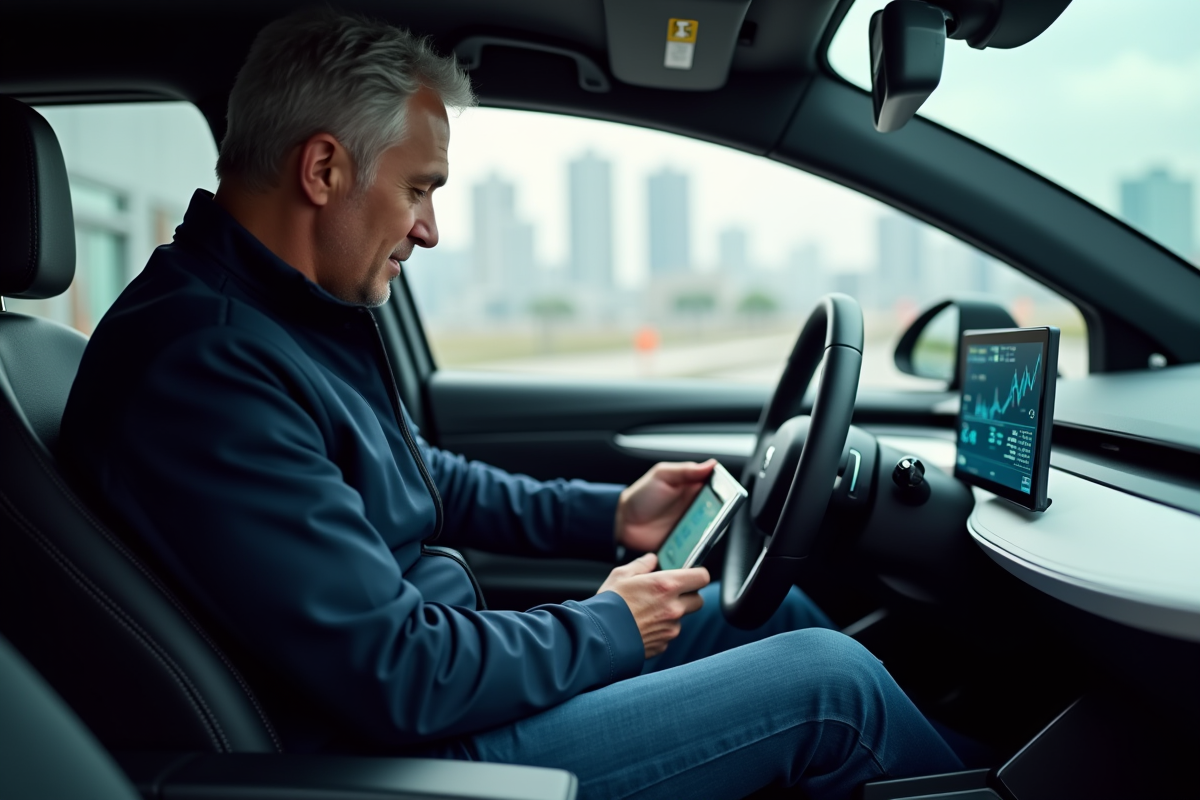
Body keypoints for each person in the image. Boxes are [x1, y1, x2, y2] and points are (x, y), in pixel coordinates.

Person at [60, 9, 962, 798]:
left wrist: (612, 514)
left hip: (433, 698)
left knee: (750, 610)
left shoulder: (278, 322)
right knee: (828, 686)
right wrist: (609, 625)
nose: (429, 228)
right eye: (418, 190)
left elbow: (416, 476)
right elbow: (397, 673)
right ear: (325, 169)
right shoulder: (204, 366)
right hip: (396, 760)